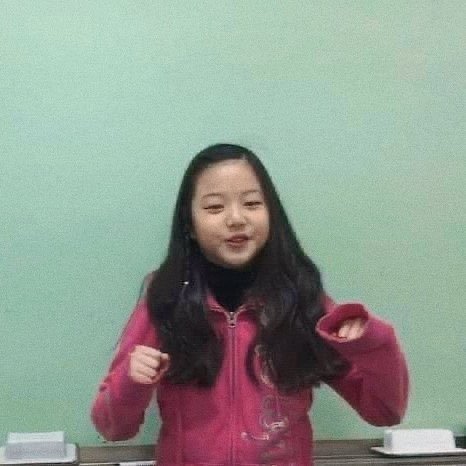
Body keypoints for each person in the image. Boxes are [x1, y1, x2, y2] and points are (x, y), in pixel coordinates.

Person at [91, 143, 409, 465]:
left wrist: (373, 345)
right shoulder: (166, 300)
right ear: (190, 224)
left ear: (271, 214)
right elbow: (112, 428)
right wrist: (132, 381)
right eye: (215, 207)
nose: (236, 219)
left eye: (252, 203)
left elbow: (384, 412)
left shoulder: (301, 300)